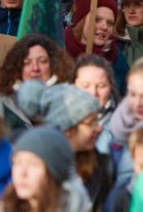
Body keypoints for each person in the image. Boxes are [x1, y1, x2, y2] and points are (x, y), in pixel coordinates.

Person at [16, 81, 109, 209]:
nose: (98, 128)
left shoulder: (102, 165)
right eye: (91, 122)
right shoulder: (36, 167)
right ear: (68, 130)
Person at [0, 127, 90, 212]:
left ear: (54, 172)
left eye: (33, 164)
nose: (22, 173)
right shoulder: (5, 206)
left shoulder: (75, 206)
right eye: (17, 162)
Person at [0, 34, 73, 130]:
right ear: (18, 68)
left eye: (42, 61)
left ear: (54, 65)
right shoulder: (3, 107)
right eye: (27, 62)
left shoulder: (68, 104)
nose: (35, 68)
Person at [64, 0, 128, 92]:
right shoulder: (59, 50)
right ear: (82, 20)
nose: (104, 27)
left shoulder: (117, 59)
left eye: (110, 23)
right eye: (97, 19)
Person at [72, 54, 118, 154]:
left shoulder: (123, 125)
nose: (93, 92)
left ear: (110, 87)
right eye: (85, 86)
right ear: (73, 86)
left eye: (101, 86)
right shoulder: (59, 124)